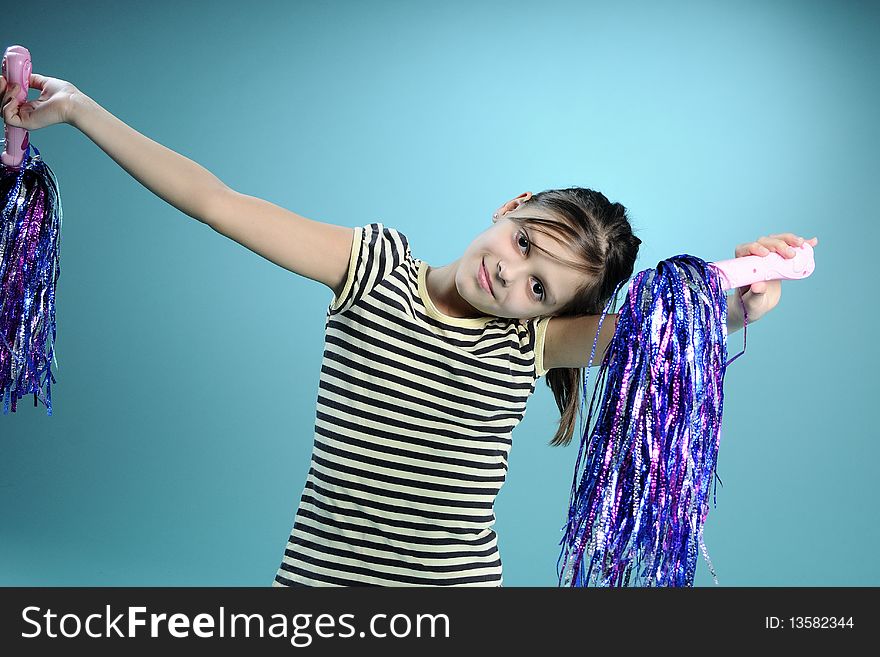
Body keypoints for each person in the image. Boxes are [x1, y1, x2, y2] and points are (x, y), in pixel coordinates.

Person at [0, 74, 819, 586]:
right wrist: (80, 111)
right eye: (523, 241)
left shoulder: (531, 344)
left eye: (539, 287)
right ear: (509, 207)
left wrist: (752, 290)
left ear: (550, 312)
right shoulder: (372, 266)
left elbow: (669, 329)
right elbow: (218, 201)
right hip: (318, 591)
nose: (510, 271)